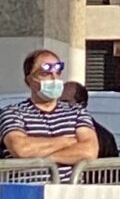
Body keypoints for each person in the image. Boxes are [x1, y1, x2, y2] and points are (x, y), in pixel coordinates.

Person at [0, 49, 98, 179]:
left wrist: (45, 160)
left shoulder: (77, 112)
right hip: (30, 190)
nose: (54, 78)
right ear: (29, 80)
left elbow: (89, 150)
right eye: (45, 73)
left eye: (57, 73)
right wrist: (67, 141)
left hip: (67, 190)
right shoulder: (12, 113)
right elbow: (22, 149)